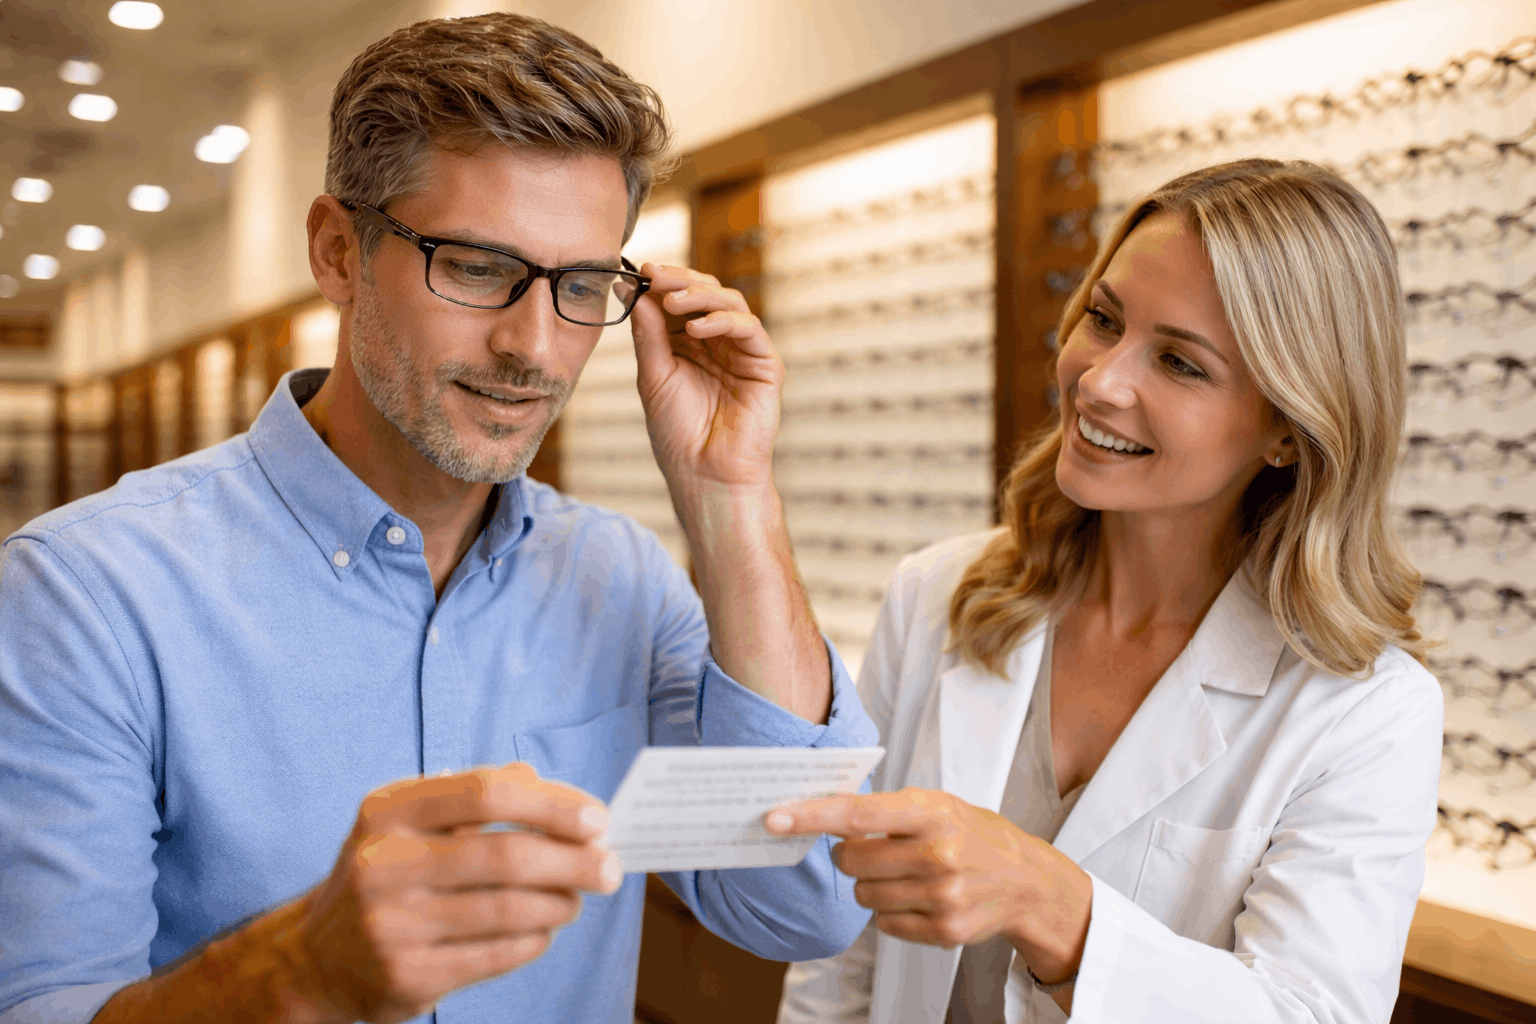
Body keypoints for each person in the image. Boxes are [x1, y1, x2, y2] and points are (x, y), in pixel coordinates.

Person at [0, 14, 876, 1024]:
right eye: (472, 266)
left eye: (583, 284)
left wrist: (732, 496)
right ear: (339, 252)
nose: (534, 348)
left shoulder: (622, 579)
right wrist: (299, 973)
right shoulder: (86, 591)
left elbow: (801, 901)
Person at [767, 159, 1443, 1024]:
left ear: (1287, 427)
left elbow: (1310, 1013)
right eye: (1103, 318)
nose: (1100, 381)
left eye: (1179, 363)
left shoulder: (1365, 710)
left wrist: (1055, 908)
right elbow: (845, 956)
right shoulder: (937, 596)